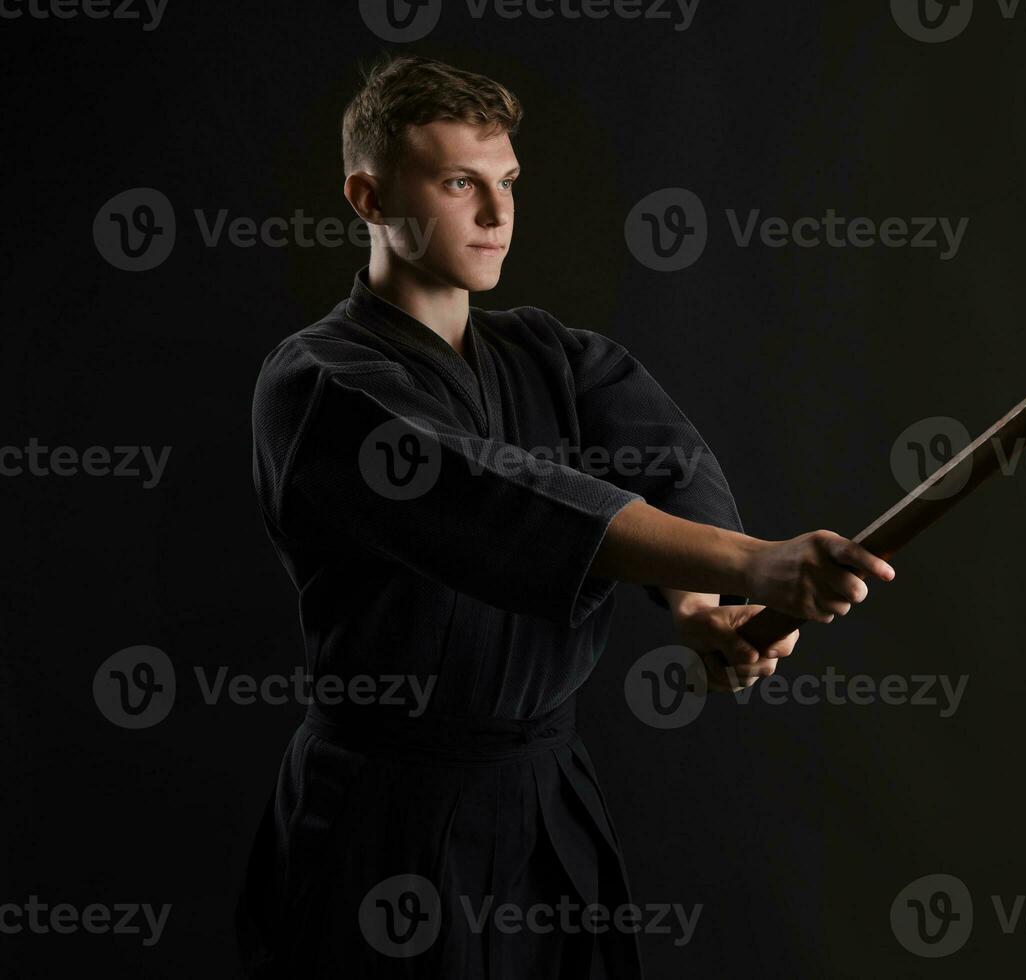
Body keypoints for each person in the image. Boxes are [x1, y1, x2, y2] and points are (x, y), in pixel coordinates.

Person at [234, 54, 895, 978]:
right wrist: (753, 563)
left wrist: (700, 604)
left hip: (546, 798)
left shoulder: (551, 355)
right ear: (367, 196)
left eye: (507, 183)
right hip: (384, 815)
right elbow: (498, 496)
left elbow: (669, 460)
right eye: (461, 183)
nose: (499, 216)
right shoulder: (321, 384)